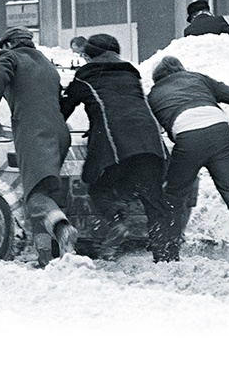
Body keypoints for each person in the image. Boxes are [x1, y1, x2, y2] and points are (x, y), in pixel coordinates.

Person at [148, 55, 229, 269]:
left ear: (158, 78)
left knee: (173, 198)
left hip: (187, 136)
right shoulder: (198, 79)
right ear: (180, 69)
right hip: (220, 131)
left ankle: (166, 257)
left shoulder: (153, 94)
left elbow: (150, 130)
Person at [59, 34, 175, 262]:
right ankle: (165, 256)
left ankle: (117, 223)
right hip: (150, 140)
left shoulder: (85, 76)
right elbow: (123, 104)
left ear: (88, 55)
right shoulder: (131, 73)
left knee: (97, 187)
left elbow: (65, 109)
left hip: (114, 144)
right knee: (153, 199)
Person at [0, 26, 77, 268]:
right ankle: (45, 258)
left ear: (9, 44)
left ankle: (63, 229)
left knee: (34, 199)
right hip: (60, 132)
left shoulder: (11, 57)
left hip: (34, 133)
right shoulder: (46, 64)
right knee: (42, 195)